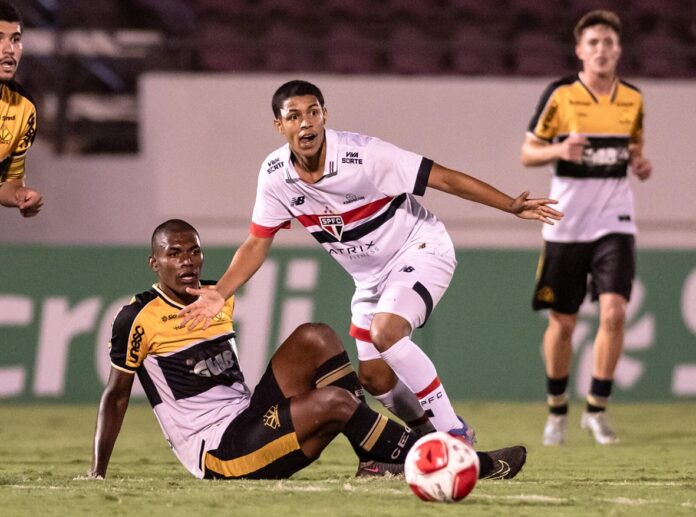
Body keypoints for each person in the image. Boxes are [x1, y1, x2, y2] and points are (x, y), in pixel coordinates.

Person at [179, 80, 562, 444]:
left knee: (387, 332)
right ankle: (425, 436)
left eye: (313, 112)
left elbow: (443, 178)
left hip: (420, 248)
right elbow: (257, 242)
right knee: (376, 379)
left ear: (325, 115)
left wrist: (510, 205)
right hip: (369, 280)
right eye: (294, 116)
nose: (306, 122)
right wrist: (221, 291)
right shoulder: (276, 176)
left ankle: (453, 434)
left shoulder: (363, 156)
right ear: (279, 126)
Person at [88, 219, 527, 480]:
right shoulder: (137, 318)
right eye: (174, 254)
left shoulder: (216, 295)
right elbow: (117, 395)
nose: (187, 261)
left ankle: (377, 459)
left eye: (194, 252)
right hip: (217, 451)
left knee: (316, 335)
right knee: (335, 402)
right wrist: (97, 473)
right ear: (155, 263)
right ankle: (450, 461)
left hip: (244, 415)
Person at [520, 10, 652, 446]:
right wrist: (557, 147)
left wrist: (639, 161)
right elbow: (528, 151)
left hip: (614, 221)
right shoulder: (560, 95)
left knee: (614, 312)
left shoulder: (632, 98)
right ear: (580, 50)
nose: (602, 49)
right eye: (593, 42)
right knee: (563, 321)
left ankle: (596, 410)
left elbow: (634, 148)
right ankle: (557, 410)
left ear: (619, 50)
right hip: (567, 222)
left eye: (609, 43)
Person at [0, 1, 42, 218]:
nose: (9, 49)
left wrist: (19, 194)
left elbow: (7, 181)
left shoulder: (23, 108)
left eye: (15, 39)